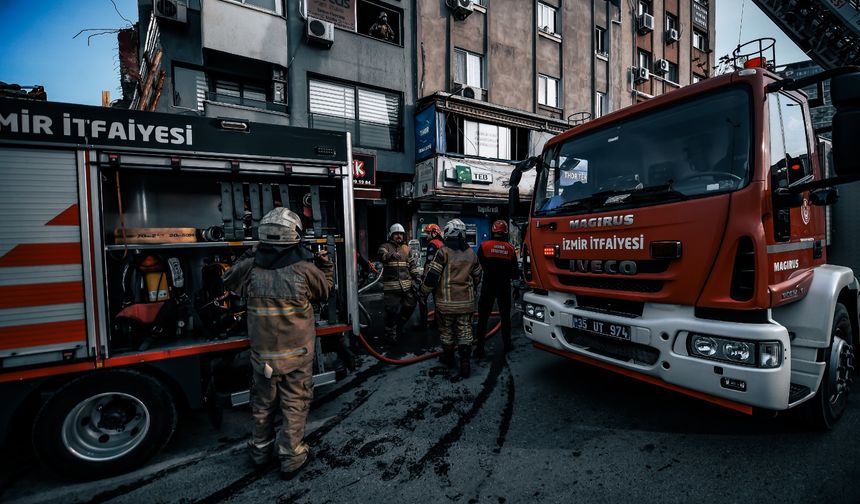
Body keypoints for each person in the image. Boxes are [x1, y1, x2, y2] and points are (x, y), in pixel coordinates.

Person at [222, 207, 333, 480]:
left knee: (262, 405)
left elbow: (228, 280)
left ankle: (259, 452)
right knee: (294, 404)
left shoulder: (250, 268)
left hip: (263, 358)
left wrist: (251, 253)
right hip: (297, 357)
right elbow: (326, 291)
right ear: (294, 235)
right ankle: (291, 456)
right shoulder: (306, 269)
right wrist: (326, 265)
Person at [420, 219, 482, 377]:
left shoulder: (443, 252)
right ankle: (465, 363)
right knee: (465, 331)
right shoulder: (471, 253)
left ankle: (449, 358)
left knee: (446, 331)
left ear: (448, 232)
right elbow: (477, 277)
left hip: (446, 303)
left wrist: (423, 292)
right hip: (466, 303)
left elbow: (432, 277)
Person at [475, 220, 519, 357]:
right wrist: (516, 289)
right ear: (505, 232)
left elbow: (477, 266)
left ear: (493, 231)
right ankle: (507, 344)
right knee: (505, 317)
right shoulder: (510, 249)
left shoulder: (484, 246)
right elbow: (515, 273)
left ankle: (479, 348)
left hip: (488, 285)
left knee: (483, 317)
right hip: (504, 286)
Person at [377, 223, 420, 343]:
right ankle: (390, 332)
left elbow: (412, 265)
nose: (399, 236)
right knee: (391, 311)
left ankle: (399, 324)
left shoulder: (407, 249)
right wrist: (390, 255)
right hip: (391, 288)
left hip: (406, 287)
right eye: (396, 234)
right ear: (391, 235)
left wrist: (417, 276)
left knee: (410, 305)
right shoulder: (385, 246)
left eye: (401, 234)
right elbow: (381, 255)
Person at [414, 223, 444, 331]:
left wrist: (423, 277)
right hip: (441, 278)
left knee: (422, 297)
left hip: (432, 277)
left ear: (434, 233)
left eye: (428, 233)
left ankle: (423, 324)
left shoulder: (433, 243)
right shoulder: (442, 243)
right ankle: (437, 323)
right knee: (437, 301)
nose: (426, 235)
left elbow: (429, 262)